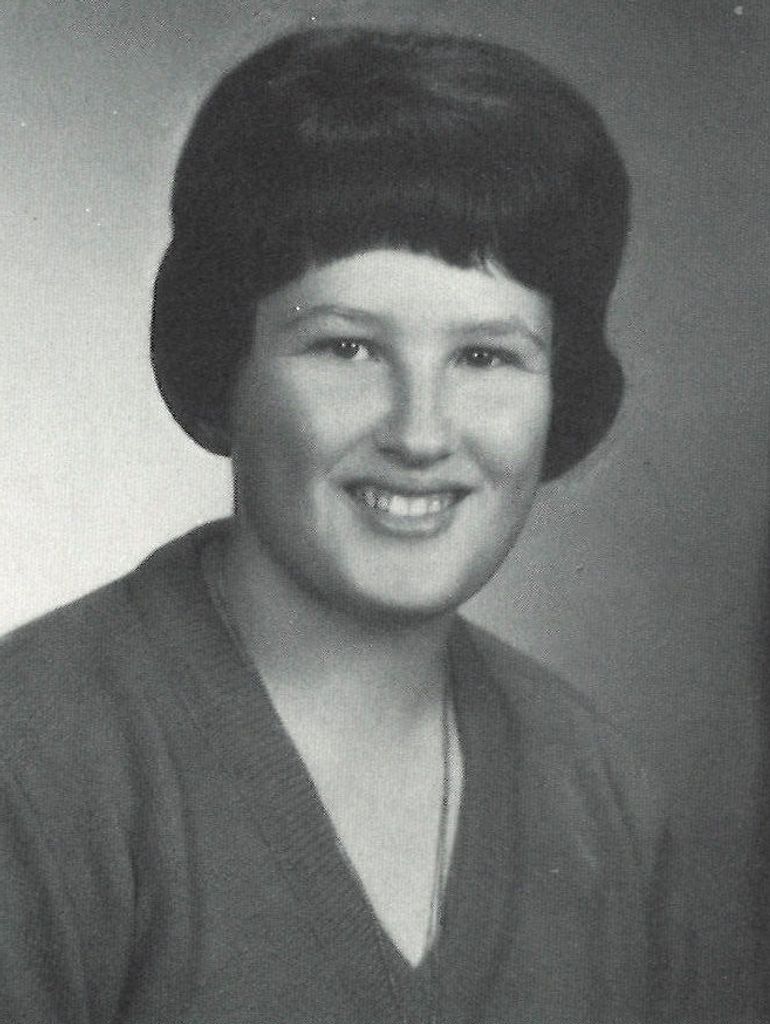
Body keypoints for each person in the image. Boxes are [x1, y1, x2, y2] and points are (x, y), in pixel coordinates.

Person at [0, 26, 682, 1024]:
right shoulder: (34, 759)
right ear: (224, 362)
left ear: (560, 391)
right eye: (348, 348)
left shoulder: (603, 798)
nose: (419, 432)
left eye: (485, 357)